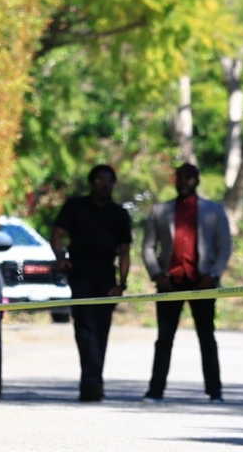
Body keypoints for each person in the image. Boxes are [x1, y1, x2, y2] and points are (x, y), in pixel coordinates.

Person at [140, 161, 232, 402]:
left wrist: (212, 275)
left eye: (189, 177)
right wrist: (157, 274)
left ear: (197, 180)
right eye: (180, 177)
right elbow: (148, 246)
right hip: (170, 283)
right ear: (175, 180)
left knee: (206, 337)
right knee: (164, 338)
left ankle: (215, 390)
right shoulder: (160, 211)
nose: (184, 181)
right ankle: (155, 389)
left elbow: (224, 247)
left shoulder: (214, 211)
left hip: (202, 282)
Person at [49, 163, 131, 402]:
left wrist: (122, 284)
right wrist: (60, 258)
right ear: (91, 182)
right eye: (99, 180)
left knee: (101, 328)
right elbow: (57, 234)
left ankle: (93, 378)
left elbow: (125, 251)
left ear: (113, 184)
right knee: (85, 326)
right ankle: (91, 380)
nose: (103, 185)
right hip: (80, 273)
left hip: (107, 275)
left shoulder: (119, 214)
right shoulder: (75, 207)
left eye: (108, 181)